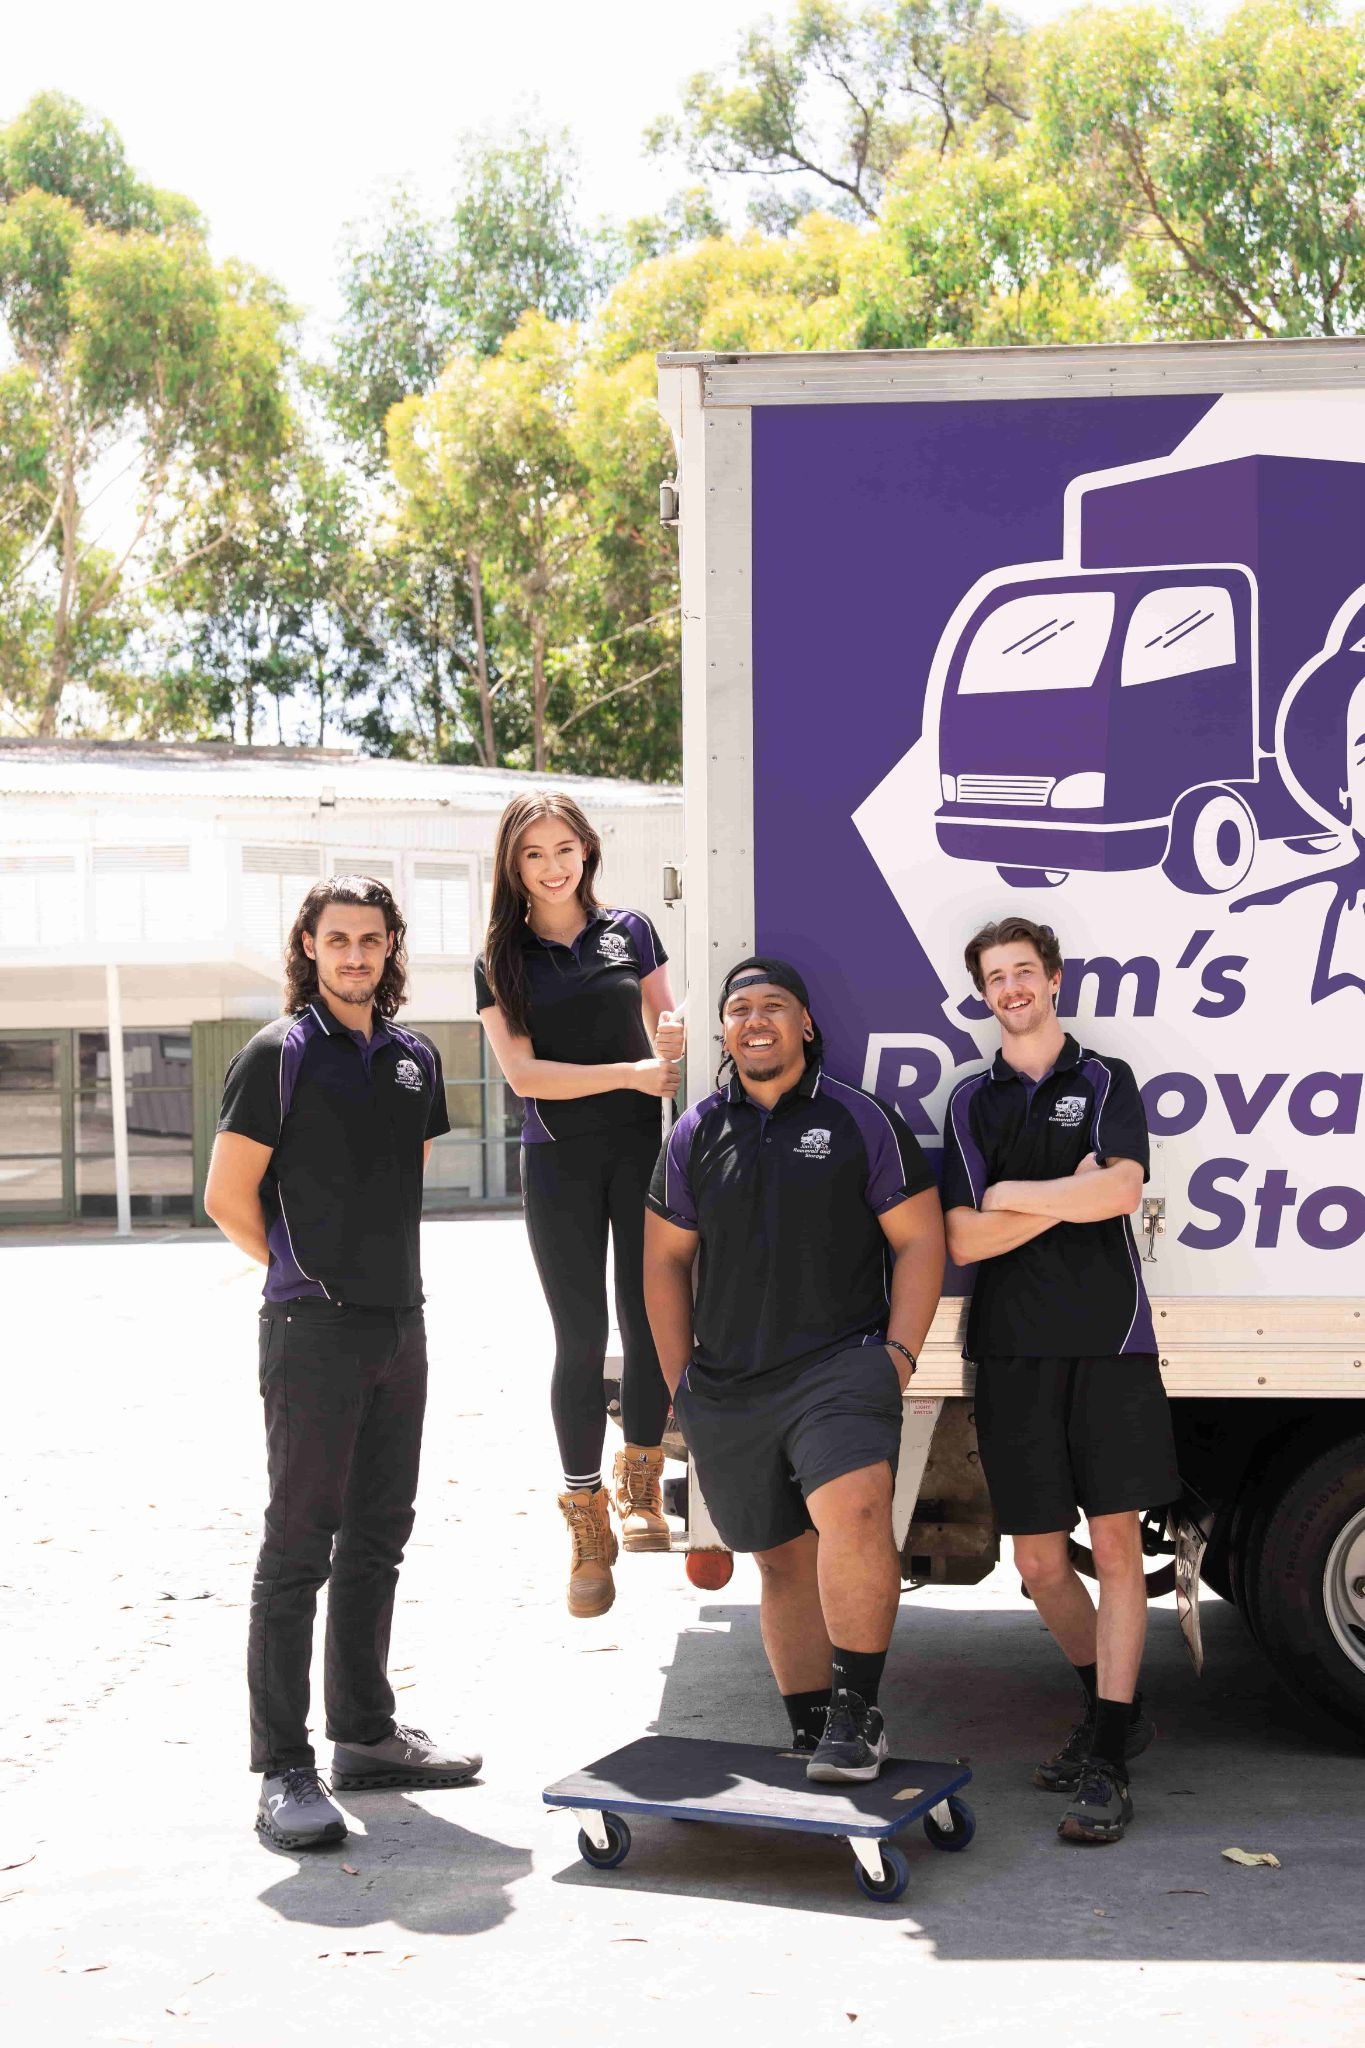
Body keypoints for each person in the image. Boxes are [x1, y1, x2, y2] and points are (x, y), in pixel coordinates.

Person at [205, 875, 480, 1852]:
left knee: (378, 1535)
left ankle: (363, 1732)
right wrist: (302, 1274)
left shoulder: (415, 1056)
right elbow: (228, 1195)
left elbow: (396, 1183)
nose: (355, 954)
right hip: (311, 1330)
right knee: (298, 1544)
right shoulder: (275, 1055)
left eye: (371, 938)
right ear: (309, 947)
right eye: (338, 939)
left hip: (399, 1326)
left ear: (392, 945)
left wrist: (379, 1294)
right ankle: (285, 1765)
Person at [644, 958, 944, 1782]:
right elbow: (664, 1260)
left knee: (852, 1514)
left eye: (772, 1006)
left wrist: (898, 1355)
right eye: (738, 1009)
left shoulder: (858, 1118)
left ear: (804, 1025)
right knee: (779, 1558)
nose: (754, 1020)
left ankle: (857, 1714)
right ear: (724, 1031)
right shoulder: (695, 1130)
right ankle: (811, 1728)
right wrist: (681, 1384)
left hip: (840, 1365)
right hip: (729, 1383)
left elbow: (920, 1239)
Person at [941, 914, 1179, 1846]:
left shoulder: (1105, 1078)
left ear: (1052, 980)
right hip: (1008, 1351)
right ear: (983, 993)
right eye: (995, 977)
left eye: (1023, 972)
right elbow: (961, 1238)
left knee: (1116, 1549)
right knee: (1038, 1564)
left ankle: (1108, 1755)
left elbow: (1122, 1192)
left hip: (1109, 1343)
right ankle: (1112, 1708)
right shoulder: (971, 1100)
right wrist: (1060, 1200)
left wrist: (1013, 1197)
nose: (1010, 988)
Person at [475, 791, 683, 1619]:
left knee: (647, 1319)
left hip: (638, 1154)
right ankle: (584, 1517)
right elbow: (525, 1078)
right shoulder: (500, 958)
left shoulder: (629, 932)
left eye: (565, 848)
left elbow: (668, 1028)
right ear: (513, 867)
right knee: (579, 1336)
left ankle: (640, 1479)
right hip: (557, 1163)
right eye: (534, 854)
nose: (554, 865)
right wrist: (631, 1074)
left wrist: (666, 1046)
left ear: (586, 852)